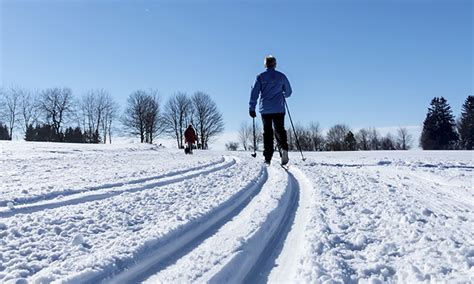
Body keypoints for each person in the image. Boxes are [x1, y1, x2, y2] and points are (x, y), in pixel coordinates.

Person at [249, 55, 292, 165]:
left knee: (267, 132)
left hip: (266, 109)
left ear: (265, 64)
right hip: (279, 108)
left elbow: (254, 93)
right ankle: (284, 149)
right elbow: (289, 92)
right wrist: (282, 94)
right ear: (275, 64)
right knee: (280, 129)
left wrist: (252, 108)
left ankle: (268, 157)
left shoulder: (260, 77)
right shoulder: (281, 76)